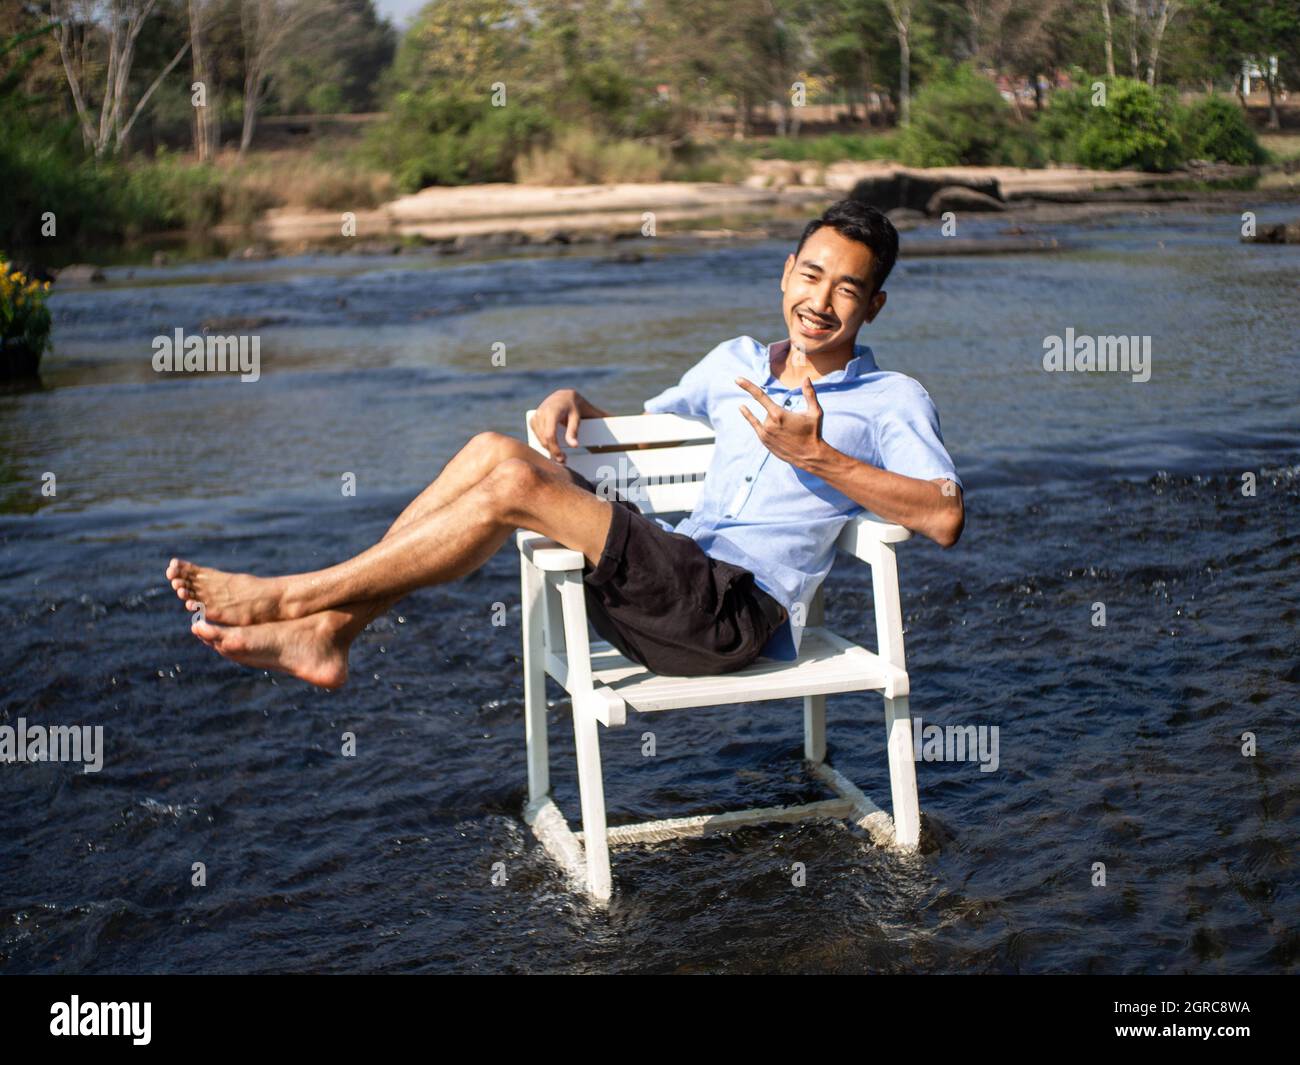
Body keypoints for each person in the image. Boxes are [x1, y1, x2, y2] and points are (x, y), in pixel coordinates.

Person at [166, 199, 963, 688]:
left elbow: (944, 517)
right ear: (785, 272)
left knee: (517, 489)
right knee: (492, 450)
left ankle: (296, 599)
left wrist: (819, 458)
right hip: (669, 580)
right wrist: (581, 403)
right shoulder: (732, 364)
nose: (820, 301)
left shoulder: (892, 398)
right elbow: (636, 443)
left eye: (847, 289)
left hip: (733, 616)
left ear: (875, 306)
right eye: (811, 275)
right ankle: (332, 632)